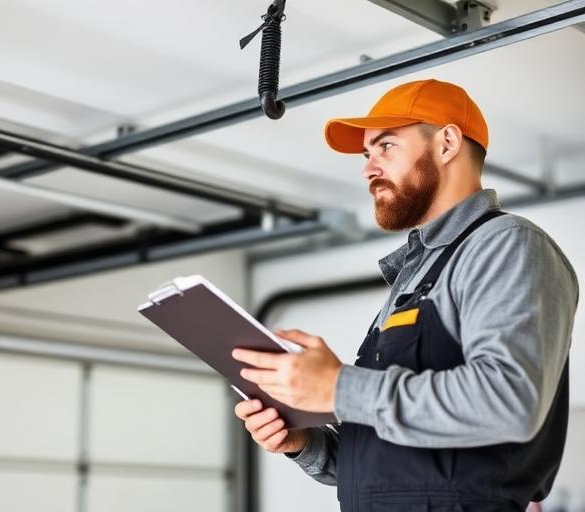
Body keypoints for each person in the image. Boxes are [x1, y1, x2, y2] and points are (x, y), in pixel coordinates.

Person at [232, 79, 578, 511]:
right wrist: (305, 443)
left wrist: (338, 387)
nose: (368, 168)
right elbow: (402, 463)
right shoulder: (417, 273)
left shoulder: (505, 245)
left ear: (447, 143)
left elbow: (508, 401)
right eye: (366, 154)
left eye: (386, 146)